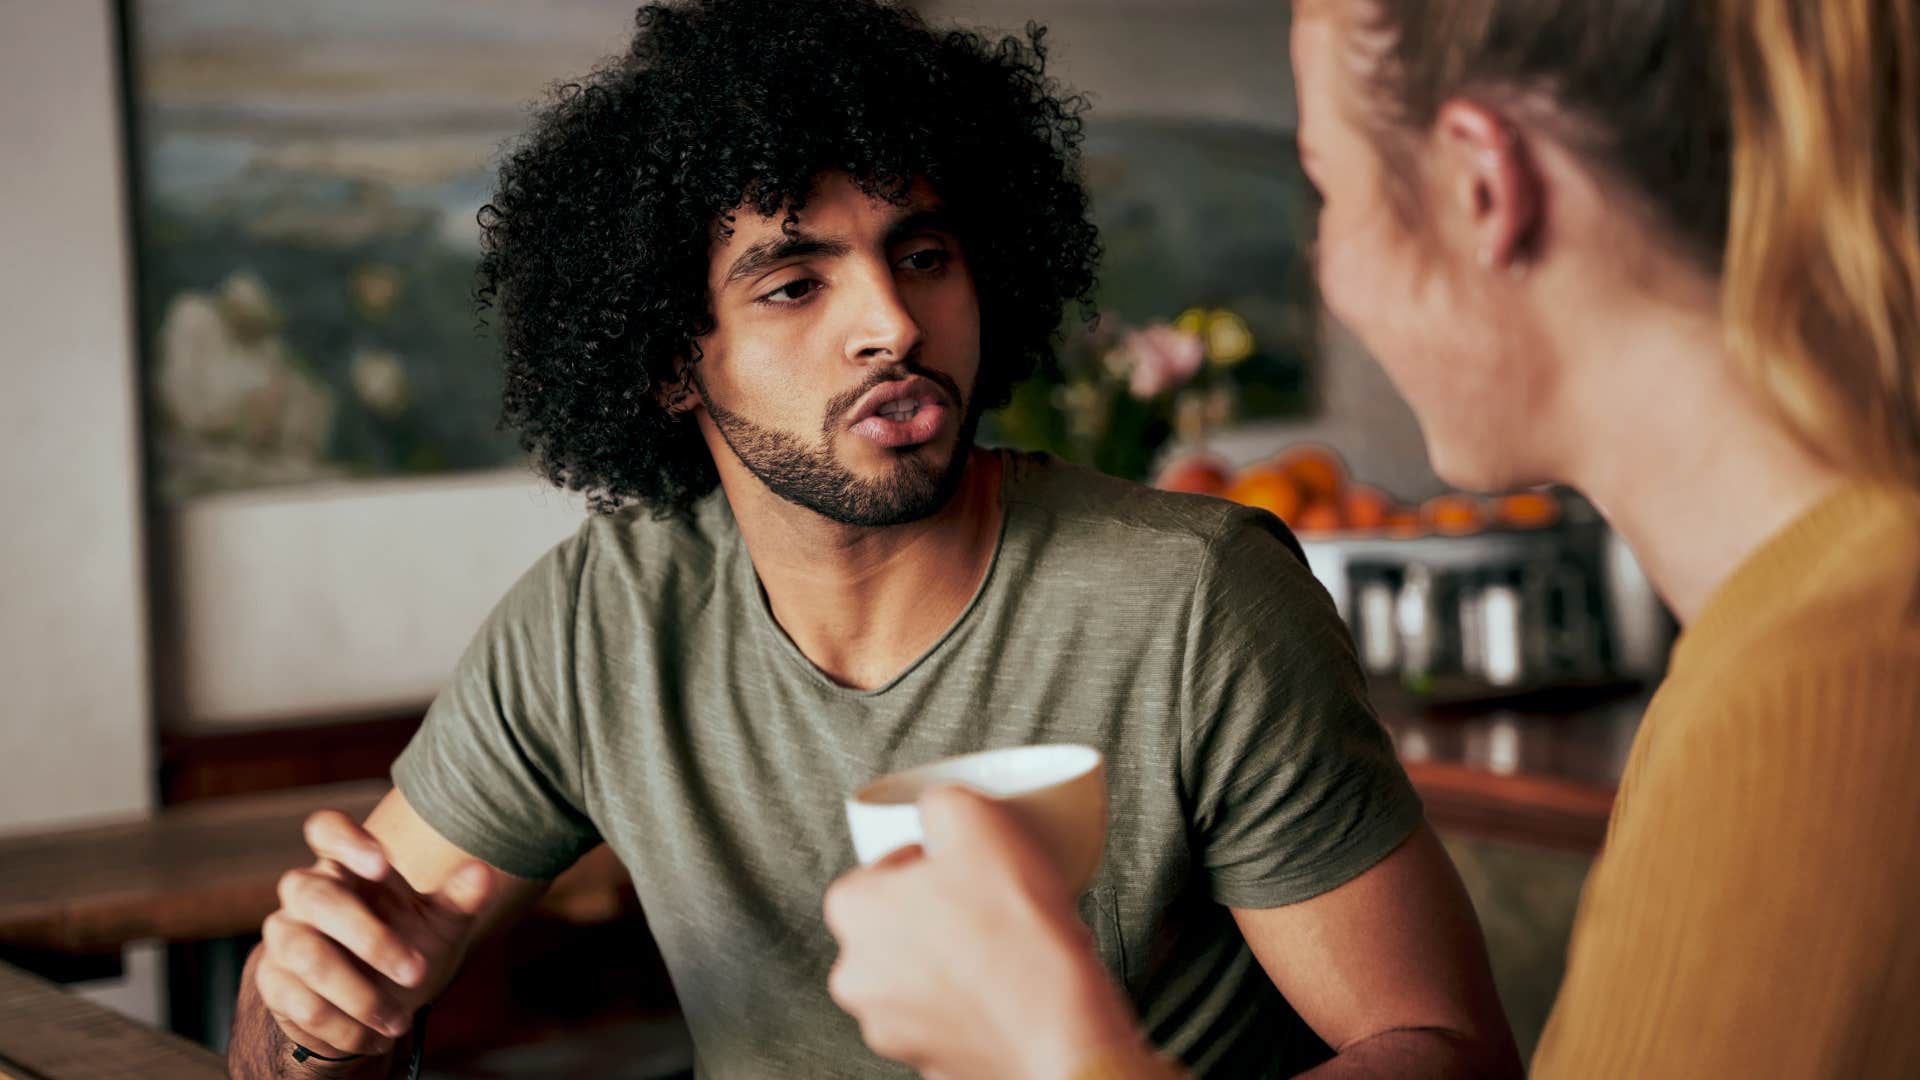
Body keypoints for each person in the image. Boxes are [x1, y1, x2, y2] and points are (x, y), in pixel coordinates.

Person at [224, 1, 1523, 1076]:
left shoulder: (1194, 601)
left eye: (924, 255)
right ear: (673, 362)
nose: (892, 325)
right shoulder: (599, 624)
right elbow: (288, 1038)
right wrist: (320, 1010)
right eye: (795, 283)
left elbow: (1445, 1048)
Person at [824, 0, 1920, 1076]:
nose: (1330, 276)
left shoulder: (1836, 684)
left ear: (1482, 186)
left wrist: (1050, 1046)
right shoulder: (1771, 645)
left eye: (1329, 191)